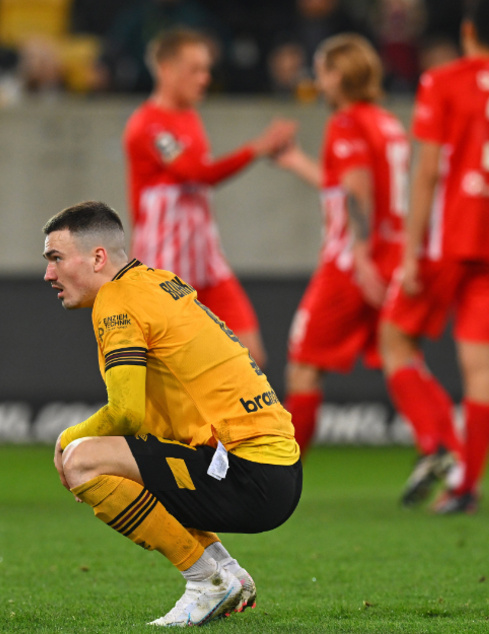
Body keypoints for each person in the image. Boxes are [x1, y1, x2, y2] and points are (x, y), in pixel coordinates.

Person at [45, 201, 302, 626]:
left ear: (97, 258)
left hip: (249, 475)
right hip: (275, 469)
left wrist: (67, 437)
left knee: (83, 461)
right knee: (134, 459)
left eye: (56, 258)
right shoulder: (159, 282)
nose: (48, 274)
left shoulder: (116, 301)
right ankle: (226, 571)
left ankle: (206, 580)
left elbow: (125, 414)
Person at [379, 0, 489, 513]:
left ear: (468, 31)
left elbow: (428, 169)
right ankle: (466, 486)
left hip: (447, 239)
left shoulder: (444, 81)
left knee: (395, 337)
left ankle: (438, 444)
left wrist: (410, 250)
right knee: (480, 365)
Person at [123, 27, 297, 368]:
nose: (205, 78)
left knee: (250, 361)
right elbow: (196, 173)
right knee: (176, 374)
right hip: (166, 266)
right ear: (166, 70)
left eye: (207, 69)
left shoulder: (189, 116)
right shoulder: (148, 125)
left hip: (206, 260)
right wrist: (256, 148)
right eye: (195, 70)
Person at [272, 34, 410, 455]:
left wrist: (361, 255)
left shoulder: (347, 122)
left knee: (304, 366)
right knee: (401, 355)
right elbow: (345, 186)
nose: (317, 78)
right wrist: (296, 163)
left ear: (338, 74)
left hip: (351, 259)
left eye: (322, 69)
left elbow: (356, 192)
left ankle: (282, 472)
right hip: (393, 254)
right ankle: (443, 448)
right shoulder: (387, 122)